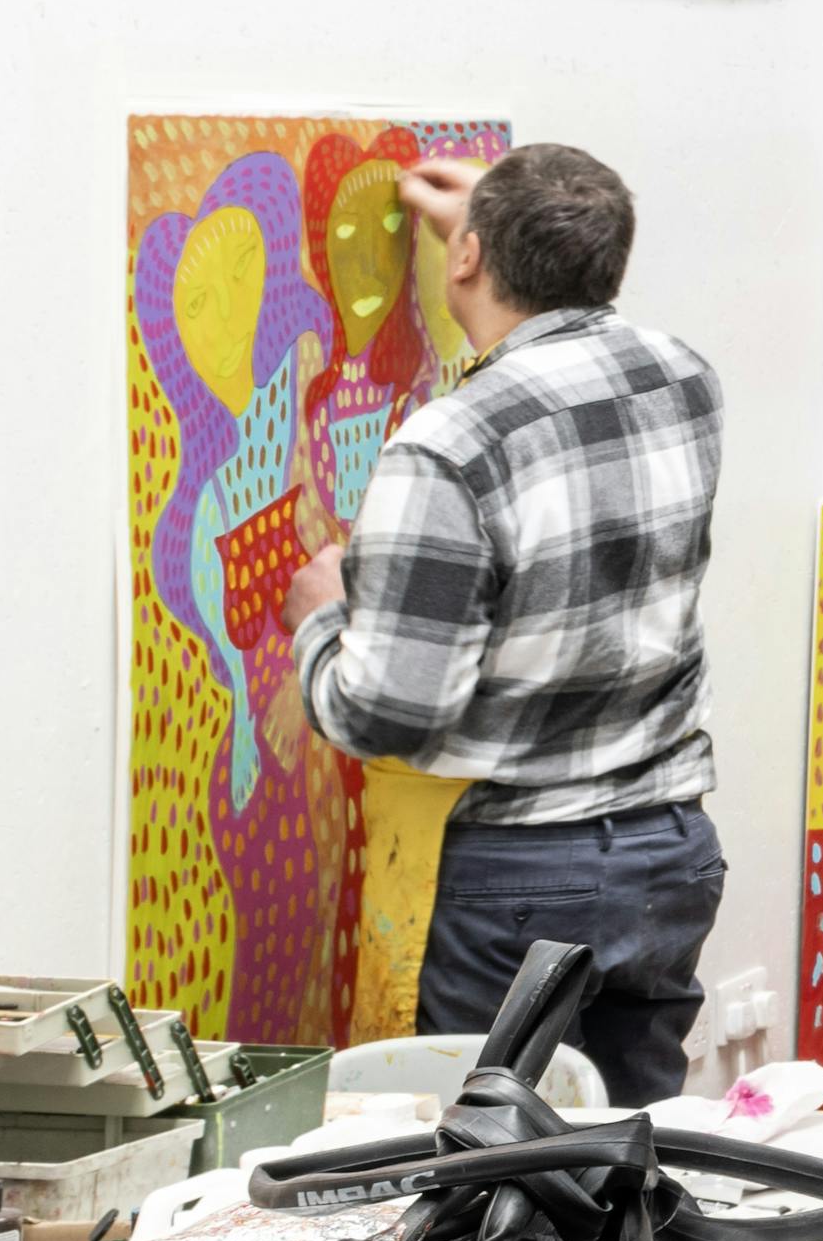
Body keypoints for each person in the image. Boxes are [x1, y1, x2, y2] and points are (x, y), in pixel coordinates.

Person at [279, 142, 732, 1105]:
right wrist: (483, 235)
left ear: (470, 259)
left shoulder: (450, 445)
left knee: (497, 1188)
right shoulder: (682, 378)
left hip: (527, 877)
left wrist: (322, 622)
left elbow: (390, 715)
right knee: (629, 1163)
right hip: (668, 850)